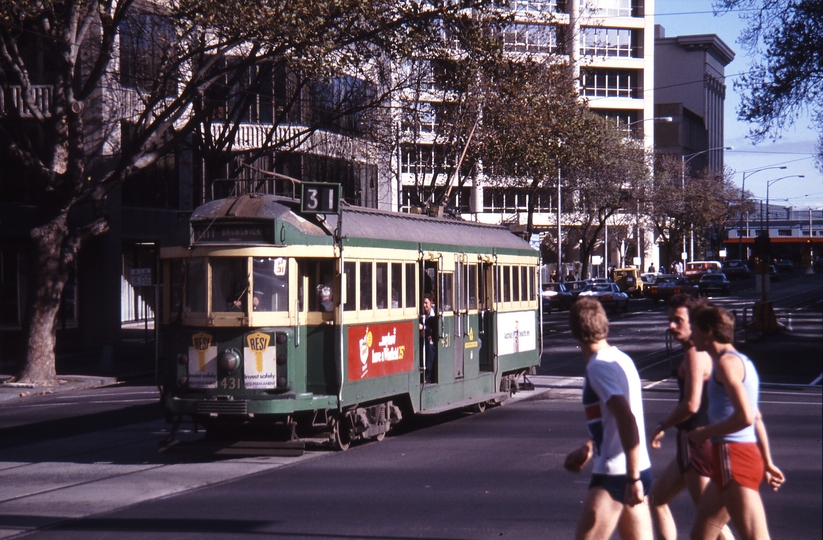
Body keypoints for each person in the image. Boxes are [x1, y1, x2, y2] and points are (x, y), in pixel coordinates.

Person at [687, 304, 784, 540]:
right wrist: (768, 462)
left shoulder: (726, 365)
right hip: (732, 458)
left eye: (695, 331)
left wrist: (705, 432)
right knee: (700, 535)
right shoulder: (742, 361)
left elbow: (746, 417)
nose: (692, 337)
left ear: (708, 331)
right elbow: (757, 418)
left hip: (734, 458)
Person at [564, 298, 653, 540]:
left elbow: (626, 416)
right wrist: (590, 447)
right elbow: (612, 420)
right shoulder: (620, 358)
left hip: (617, 473)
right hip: (636, 468)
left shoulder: (598, 366)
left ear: (574, 333)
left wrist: (631, 476)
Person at [648, 295, 733, 540]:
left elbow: (691, 403)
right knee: (656, 499)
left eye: (678, 321)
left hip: (697, 444)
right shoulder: (700, 352)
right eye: (669, 321)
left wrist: (662, 424)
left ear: (693, 322)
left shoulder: (695, 353)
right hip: (694, 444)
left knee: (711, 523)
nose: (672, 326)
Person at [419, 293, 437, 383]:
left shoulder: (433, 316)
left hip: (432, 341)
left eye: (426, 303)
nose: (424, 305)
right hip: (423, 339)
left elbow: (432, 327)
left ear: (431, 303)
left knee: (430, 349)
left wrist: (423, 328)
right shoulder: (422, 314)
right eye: (423, 303)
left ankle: (428, 375)